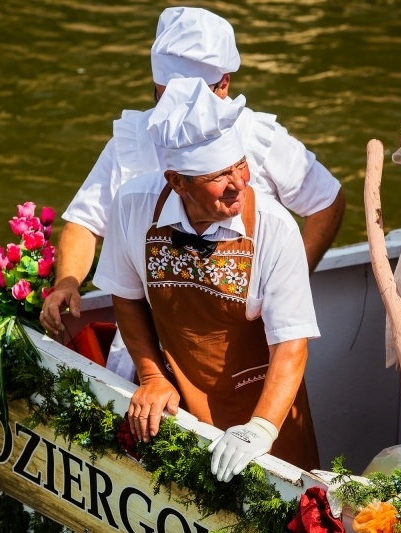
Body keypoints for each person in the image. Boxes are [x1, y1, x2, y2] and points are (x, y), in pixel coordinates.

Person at [40, 7, 344, 379]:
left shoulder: (260, 139)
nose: (174, 112)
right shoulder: (130, 141)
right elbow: (86, 222)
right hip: (147, 341)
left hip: (239, 335)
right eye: (165, 97)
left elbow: (327, 200)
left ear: (224, 85)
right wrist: (67, 281)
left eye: (189, 99)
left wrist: (291, 279)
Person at [92, 77, 321, 481]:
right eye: (219, 176)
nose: (238, 185)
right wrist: (152, 376)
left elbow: (291, 344)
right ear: (176, 182)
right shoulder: (133, 207)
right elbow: (126, 298)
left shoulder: (274, 228)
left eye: (240, 166)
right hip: (182, 401)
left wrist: (261, 429)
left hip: (266, 407)